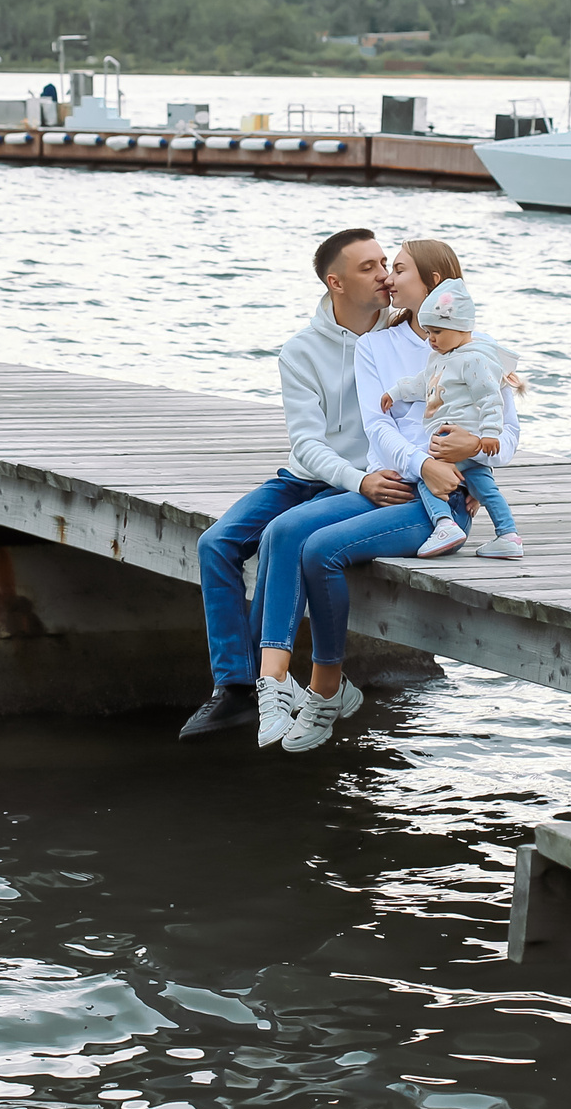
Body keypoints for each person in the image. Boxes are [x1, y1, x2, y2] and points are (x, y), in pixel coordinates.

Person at [250, 239, 520, 753]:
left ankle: (326, 689)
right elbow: (378, 427)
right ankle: (273, 684)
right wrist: (424, 464)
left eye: (398, 270)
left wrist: (473, 449)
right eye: (386, 270)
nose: (389, 280)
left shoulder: (478, 349)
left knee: (320, 550)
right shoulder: (377, 345)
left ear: (435, 283)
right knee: (284, 530)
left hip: (444, 508)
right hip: (397, 483)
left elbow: (506, 439)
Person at [177, 228, 414, 741]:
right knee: (215, 543)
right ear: (337, 283)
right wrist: (360, 479)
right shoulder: (302, 351)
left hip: (358, 486)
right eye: (368, 268)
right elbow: (307, 445)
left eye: (385, 264)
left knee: (277, 536)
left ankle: (272, 682)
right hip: (314, 477)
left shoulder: (403, 335)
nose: (384, 276)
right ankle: (234, 690)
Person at [381, 278, 524, 560]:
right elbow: (423, 383)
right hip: (467, 444)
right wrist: (396, 392)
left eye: (437, 331)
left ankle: (444, 524)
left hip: (455, 436)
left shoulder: (474, 360)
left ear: (461, 328)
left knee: (427, 477)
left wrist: (490, 434)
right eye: (428, 332)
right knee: (485, 488)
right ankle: (508, 535)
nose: (431, 339)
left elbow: (489, 397)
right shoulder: (441, 358)